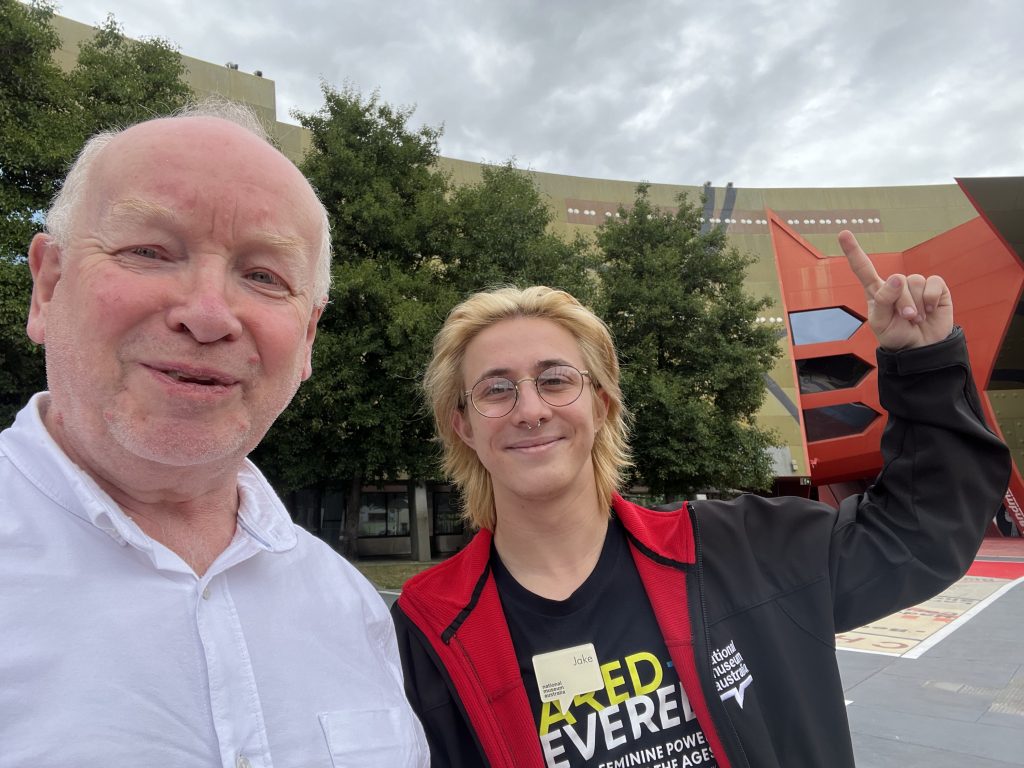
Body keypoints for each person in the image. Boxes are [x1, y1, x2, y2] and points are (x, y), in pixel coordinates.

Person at [392, 237, 1012, 768]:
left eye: (556, 380)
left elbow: (918, 531)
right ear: (465, 425)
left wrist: (924, 364)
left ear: (602, 403)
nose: (530, 409)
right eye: (496, 390)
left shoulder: (744, 550)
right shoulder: (424, 632)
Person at [0, 102, 428, 767]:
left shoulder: (350, 607)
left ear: (308, 337)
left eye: (263, 276)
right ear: (47, 287)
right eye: (149, 251)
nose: (207, 315)